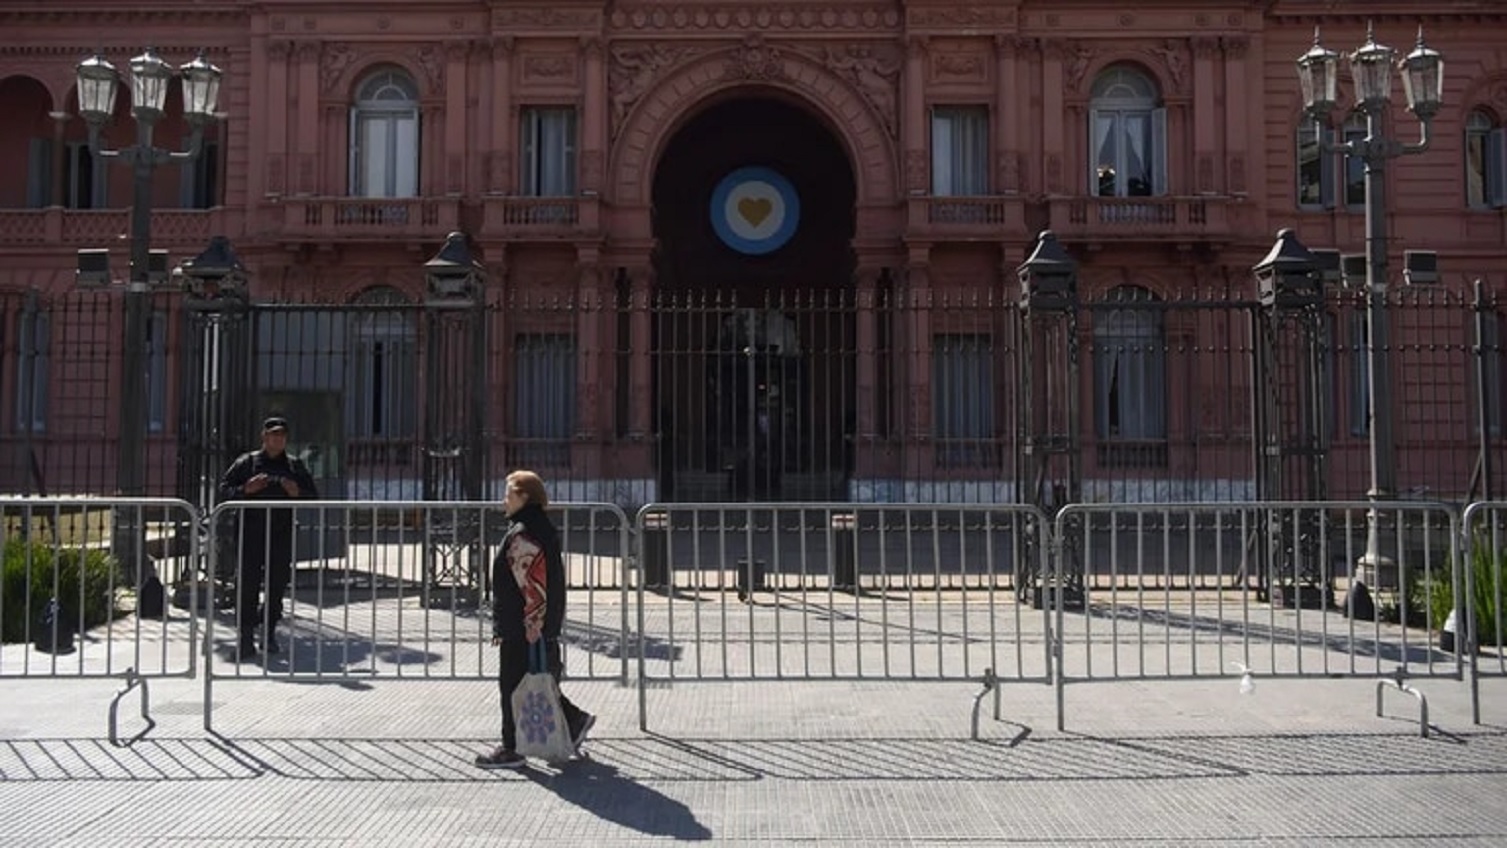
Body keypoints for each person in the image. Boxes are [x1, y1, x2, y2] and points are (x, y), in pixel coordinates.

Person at [476, 470, 595, 769]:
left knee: (513, 686)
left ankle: (511, 748)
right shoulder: (539, 527)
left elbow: (532, 584)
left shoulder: (523, 534)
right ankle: (575, 721)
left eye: (508, 494)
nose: (504, 500)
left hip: (522, 626)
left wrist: (532, 622)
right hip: (537, 623)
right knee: (538, 679)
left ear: (524, 496)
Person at [218, 416, 319, 660]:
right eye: (273, 435)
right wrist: (245, 489)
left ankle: (269, 633)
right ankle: (245, 639)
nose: (277, 439)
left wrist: (296, 492)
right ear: (264, 437)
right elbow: (223, 490)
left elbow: (313, 497)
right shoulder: (247, 462)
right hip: (250, 532)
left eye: (281, 435)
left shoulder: (294, 465)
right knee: (247, 585)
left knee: (276, 585)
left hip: (280, 533)